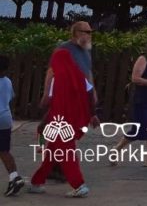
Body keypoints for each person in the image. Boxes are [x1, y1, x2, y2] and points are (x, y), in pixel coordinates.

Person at [27, 48, 93, 197]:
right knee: (52, 153)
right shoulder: (79, 75)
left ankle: (79, 185)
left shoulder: (57, 79)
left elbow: (49, 101)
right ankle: (36, 182)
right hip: (73, 119)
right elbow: (90, 95)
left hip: (59, 121)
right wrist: (90, 114)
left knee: (66, 153)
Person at [111, 38, 147, 166]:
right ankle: (117, 148)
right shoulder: (143, 59)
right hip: (144, 99)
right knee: (139, 128)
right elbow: (135, 78)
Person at [0, 56, 25, 196]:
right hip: (5, 119)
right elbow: (10, 98)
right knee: (4, 151)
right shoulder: (7, 81)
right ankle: (14, 177)